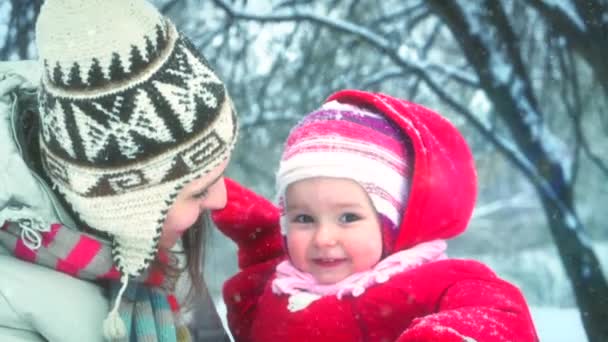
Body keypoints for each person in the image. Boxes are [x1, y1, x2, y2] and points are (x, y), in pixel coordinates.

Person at [211, 89, 539, 341]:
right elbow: (252, 316)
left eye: (348, 218)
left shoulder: (433, 285)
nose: (324, 238)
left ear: (392, 226)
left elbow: (498, 316)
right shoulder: (281, 285)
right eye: (304, 219)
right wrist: (252, 231)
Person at [0, 0, 238, 341]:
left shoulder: (159, 255)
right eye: (199, 190)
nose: (222, 199)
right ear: (121, 205)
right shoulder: (11, 316)